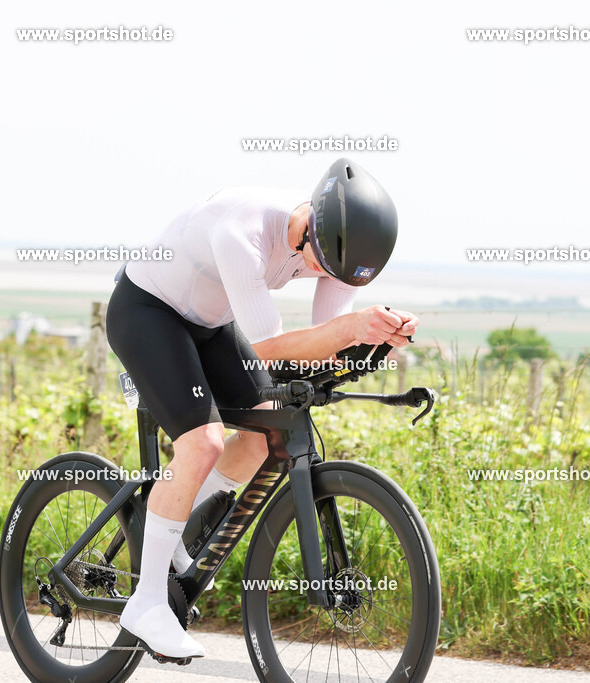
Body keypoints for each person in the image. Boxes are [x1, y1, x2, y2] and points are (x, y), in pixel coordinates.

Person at [106, 158, 418, 659]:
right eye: (319, 265)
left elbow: (324, 345)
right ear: (307, 229)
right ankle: (145, 605)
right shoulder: (243, 231)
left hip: (211, 324)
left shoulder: (339, 250)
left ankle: (173, 529)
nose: (323, 276)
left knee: (266, 434)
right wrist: (346, 330)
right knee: (202, 441)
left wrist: (374, 340)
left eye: (337, 275)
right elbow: (269, 346)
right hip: (148, 311)